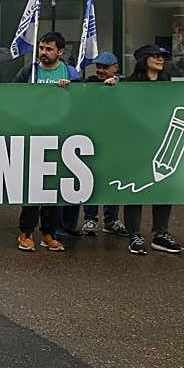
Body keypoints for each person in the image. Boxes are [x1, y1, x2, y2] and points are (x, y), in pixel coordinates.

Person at [12, 31, 78, 253]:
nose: (43, 52)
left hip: (60, 137)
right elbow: (10, 96)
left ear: (60, 51)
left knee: (53, 188)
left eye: (49, 49)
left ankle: (48, 233)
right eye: (41, 48)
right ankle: (26, 232)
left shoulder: (70, 72)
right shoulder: (29, 71)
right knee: (33, 188)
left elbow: (84, 99)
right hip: (33, 136)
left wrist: (71, 89)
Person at [123, 45, 180, 255]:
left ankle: (160, 233)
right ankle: (134, 234)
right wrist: (110, 86)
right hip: (136, 144)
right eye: (155, 56)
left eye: (162, 57)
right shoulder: (130, 85)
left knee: (164, 186)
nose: (160, 60)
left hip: (161, 142)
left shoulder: (168, 85)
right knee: (135, 189)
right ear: (144, 59)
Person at [77, 51, 125, 236]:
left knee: (113, 179)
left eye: (105, 67)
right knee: (91, 177)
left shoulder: (124, 84)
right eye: (98, 67)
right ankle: (90, 219)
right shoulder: (90, 82)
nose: (101, 71)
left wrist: (118, 82)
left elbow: (131, 85)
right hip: (92, 137)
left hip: (114, 139)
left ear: (115, 68)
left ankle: (111, 220)